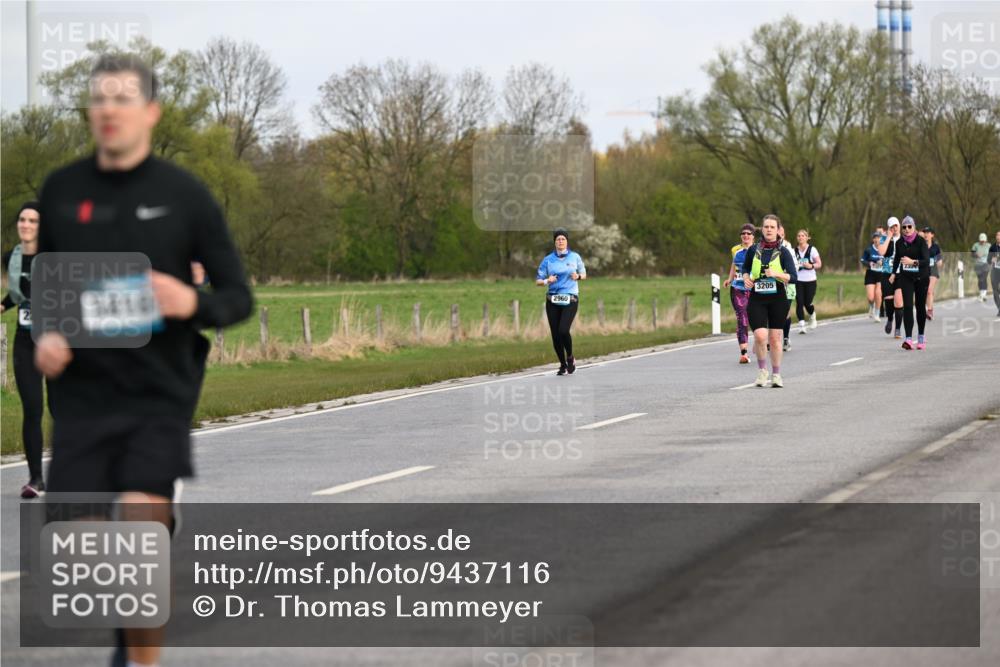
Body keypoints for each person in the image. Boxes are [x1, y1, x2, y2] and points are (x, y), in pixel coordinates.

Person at [34, 54, 253, 667]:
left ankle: (141, 662)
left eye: (122, 98)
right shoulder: (61, 190)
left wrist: (189, 300)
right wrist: (49, 336)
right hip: (81, 397)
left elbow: (237, 299)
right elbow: (50, 291)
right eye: (99, 99)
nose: (108, 109)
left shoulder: (185, 197)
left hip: (158, 394)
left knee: (135, 534)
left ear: (149, 112)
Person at [1, 202, 46, 498]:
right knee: (32, 409)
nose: (26, 224)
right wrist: (4, 304)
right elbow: (18, 295)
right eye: (22, 219)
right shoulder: (12, 258)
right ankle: (36, 479)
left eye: (32, 220)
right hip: (26, 340)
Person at [742, 214, 797, 388]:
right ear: (762, 229)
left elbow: (793, 277)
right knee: (760, 335)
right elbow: (745, 267)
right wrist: (745, 277)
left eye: (772, 227)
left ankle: (776, 374)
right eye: (766, 227)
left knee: (774, 338)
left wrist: (777, 274)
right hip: (757, 297)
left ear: (778, 230)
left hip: (778, 298)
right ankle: (762, 370)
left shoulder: (783, 251)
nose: (769, 230)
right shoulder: (753, 249)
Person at [536, 228, 586, 375]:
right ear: (554, 242)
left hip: (570, 298)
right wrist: (547, 280)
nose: (560, 241)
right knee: (555, 335)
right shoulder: (548, 260)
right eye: (558, 239)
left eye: (563, 239)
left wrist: (577, 277)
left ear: (567, 241)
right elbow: (538, 281)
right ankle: (563, 365)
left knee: (563, 330)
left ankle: (570, 357)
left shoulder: (575, 257)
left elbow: (584, 274)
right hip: (552, 299)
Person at [888, 216, 930, 350]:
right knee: (907, 306)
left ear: (914, 227)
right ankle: (908, 339)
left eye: (909, 227)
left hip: (921, 278)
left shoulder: (921, 241)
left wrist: (913, 262)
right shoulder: (899, 243)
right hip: (906, 278)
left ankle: (921, 336)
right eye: (904, 227)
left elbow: (926, 261)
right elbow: (896, 260)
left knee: (919, 306)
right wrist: (894, 273)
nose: (906, 230)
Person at [723, 223, 755, 363]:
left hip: (755, 289)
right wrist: (729, 279)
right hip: (738, 288)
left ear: (753, 236)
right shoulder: (735, 250)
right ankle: (744, 352)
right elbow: (734, 264)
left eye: (748, 233)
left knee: (755, 318)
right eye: (743, 233)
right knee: (741, 318)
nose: (745, 236)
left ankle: (761, 341)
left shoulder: (758, 250)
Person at [793, 229, 822, 333]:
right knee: (799, 302)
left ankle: (812, 314)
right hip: (798, 280)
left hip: (810, 280)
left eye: (803, 236)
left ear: (807, 237)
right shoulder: (794, 251)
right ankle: (801, 325)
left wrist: (811, 265)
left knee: (807, 303)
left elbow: (819, 264)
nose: (800, 237)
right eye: (799, 236)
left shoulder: (812, 250)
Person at [878, 217, 901, 337]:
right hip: (887, 272)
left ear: (899, 225)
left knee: (899, 301)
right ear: (889, 228)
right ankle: (890, 319)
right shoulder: (884, 238)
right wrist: (888, 237)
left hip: (901, 274)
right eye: (892, 227)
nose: (894, 228)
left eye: (896, 225)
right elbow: (881, 252)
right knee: (889, 300)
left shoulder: (904, 239)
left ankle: (898, 328)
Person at [776, 221, 794, 351]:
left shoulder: (788, 248)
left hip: (788, 284)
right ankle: (771, 339)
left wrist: (785, 275)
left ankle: (786, 338)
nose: (779, 236)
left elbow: (795, 267)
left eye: (781, 234)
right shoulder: (765, 247)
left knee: (785, 312)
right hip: (772, 284)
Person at [861, 231, 884, 320]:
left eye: (878, 238)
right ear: (873, 239)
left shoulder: (885, 250)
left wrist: (883, 262)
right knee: (870, 297)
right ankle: (872, 306)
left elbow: (890, 261)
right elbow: (862, 260)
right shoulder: (869, 250)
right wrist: (870, 263)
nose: (876, 239)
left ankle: (877, 314)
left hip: (881, 274)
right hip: (870, 274)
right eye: (875, 238)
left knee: (878, 294)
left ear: (881, 239)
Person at [922, 226, 942, 320]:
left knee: (929, 290)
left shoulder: (936, 247)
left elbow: (939, 260)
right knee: (926, 292)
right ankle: (930, 307)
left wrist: (938, 262)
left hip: (933, 270)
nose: (926, 234)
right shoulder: (921, 246)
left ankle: (929, 311)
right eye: (925, 232)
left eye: (928, 232)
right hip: (923, 270)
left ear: (932, 235)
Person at [972, 232, 991, 302]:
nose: (982, 242)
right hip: (978, 264)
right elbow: (972, 254)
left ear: (986, 240)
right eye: (981, 241)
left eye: (984, 241)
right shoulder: (975, 245)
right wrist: (976, 254)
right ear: (979, 240)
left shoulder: (989, 246)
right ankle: (981, 293)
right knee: (980, 279)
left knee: (984, 278)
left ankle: (984, 294)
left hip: (986, 264)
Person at [990, 230, 1000, 317]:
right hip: (995, 270)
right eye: (997, 235)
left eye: (999, 235)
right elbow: (988, 260)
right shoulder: (992, 247)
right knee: (995, 290)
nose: (998, 237)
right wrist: (992, 260)